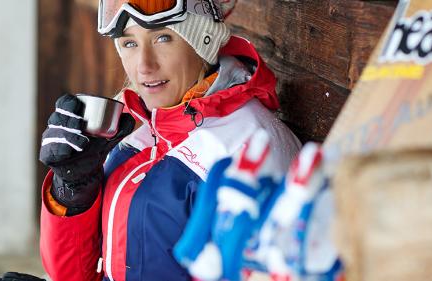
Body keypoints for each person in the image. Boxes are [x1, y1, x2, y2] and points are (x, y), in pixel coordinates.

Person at [38, 1, 301, 281]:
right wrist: (72, 190)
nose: (144, 66)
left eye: (163, 38)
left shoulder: (248, 149)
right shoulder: (140, 128)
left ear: (203, 44)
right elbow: (72, 274)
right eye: (129, 43)